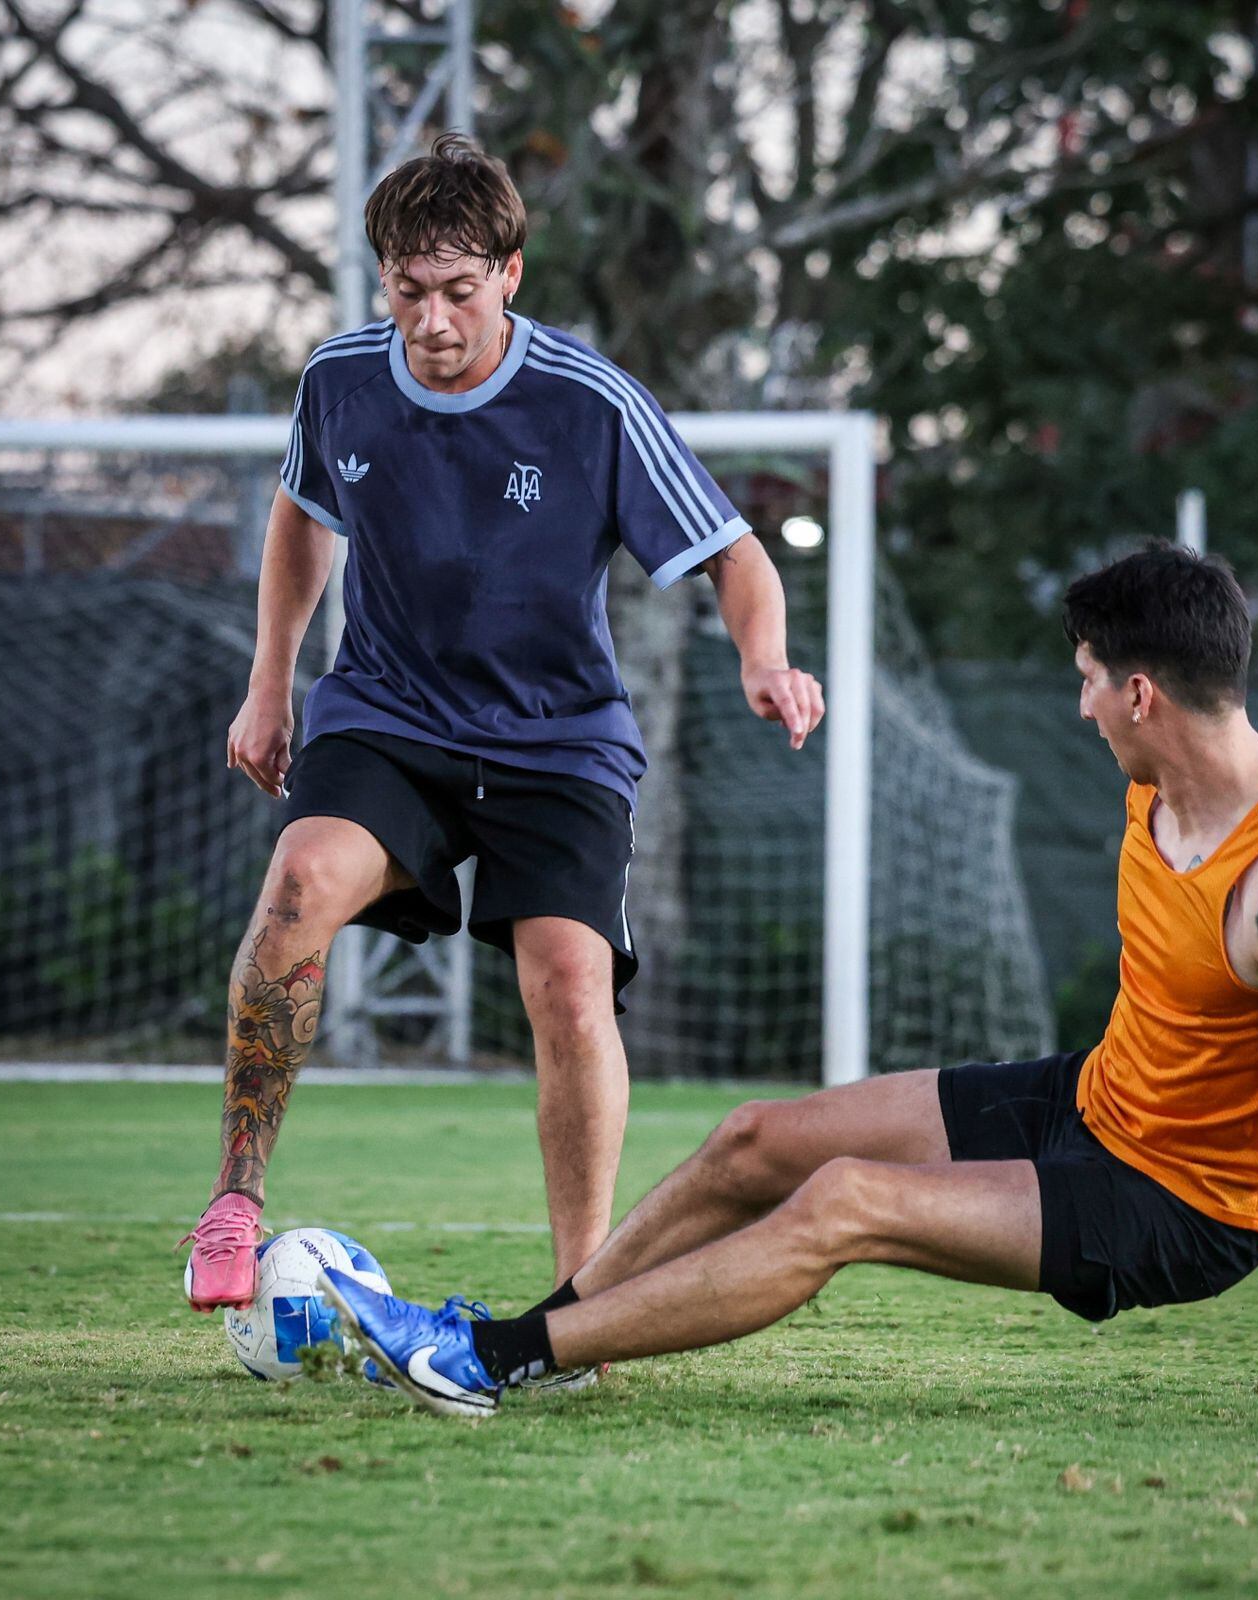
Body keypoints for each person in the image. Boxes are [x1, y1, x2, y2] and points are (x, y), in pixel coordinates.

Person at [322, 546, 1258, 1437]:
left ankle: (492, 1357)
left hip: (1192, 1206)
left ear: (1142, 695)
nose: (1080, 704)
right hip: (1101, 1100)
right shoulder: (1157, 786)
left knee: (844, 1199)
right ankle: (561, 1338)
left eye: (1089, 681)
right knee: (755, 1138)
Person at [178, 134, 825, 1370]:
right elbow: (302, 519)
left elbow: (736, 553)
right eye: (406, 289)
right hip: (387, 714)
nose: (429, 319)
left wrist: (762, 657)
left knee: (568, 985)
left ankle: (583, 1296)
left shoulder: (588, 399)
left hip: (558, 741)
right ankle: (236, 1197)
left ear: (509, 273)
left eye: (457, 290)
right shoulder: (339, 381)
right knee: (299, 887)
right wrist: (271, 685)